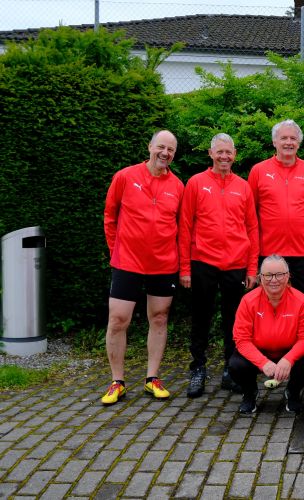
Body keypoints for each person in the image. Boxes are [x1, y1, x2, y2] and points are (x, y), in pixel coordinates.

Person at [101, 130, 184, 405]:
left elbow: (182, 228)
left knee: (159, 318)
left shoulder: (178, 186)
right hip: (127, 262)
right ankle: (117, 381)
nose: (165, 153)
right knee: (118, 320)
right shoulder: (125, 177)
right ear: (150, 146)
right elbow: (110, 215)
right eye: (161, 147)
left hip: (163, 262)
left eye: (170, 149)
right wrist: (115, 250)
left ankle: (152, 378)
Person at [179, 133, 260, 398]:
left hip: (236, 263)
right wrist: (185, 268)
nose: (224, 157)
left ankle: (230, 369)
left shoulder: (243, 186)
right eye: (220, 152)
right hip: (203, 261)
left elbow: (252, 228)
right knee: (201, 317)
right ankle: (198, 368)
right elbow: (185, 226)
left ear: (234, 155)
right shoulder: (196, 183)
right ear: (211, 154)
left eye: (229, 152)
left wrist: (252, 269)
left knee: (234, 320)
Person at [248, 119, 304, 314]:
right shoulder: (258, 171)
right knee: (269, 306)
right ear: (274, 142)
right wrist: (253, 255)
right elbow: (250, 217)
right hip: (269, 252)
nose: (288, 142)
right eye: (284, 138)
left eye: (293, 138)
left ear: (299, 143)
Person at [228, 255, 304, 415]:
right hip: (259, 352)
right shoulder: (248, 301)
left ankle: (293, 392)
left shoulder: (301, 300)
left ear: (288, 276)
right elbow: (241, 340)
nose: (273, 280)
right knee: (236, 365)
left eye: (279, 275)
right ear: (260, 277)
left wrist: (289, 359)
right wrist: (263, 362)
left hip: (288, 351)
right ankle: (250, 393)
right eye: (268, 275)